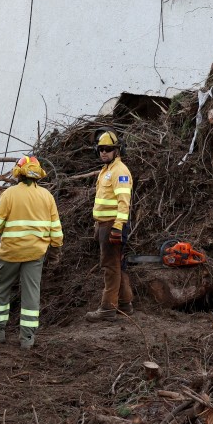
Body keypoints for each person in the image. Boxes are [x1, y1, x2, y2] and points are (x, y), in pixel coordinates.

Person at [0, 156, 62, 349]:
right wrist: (56, 250)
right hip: (35, 254)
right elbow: (56, 229)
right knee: (31, 293)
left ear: (18, 173)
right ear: (37, 175)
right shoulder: (47, 196)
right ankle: (27, 339)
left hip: (10, 252)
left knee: (0, 290)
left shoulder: (9, 194)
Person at [86, 130, 134, 321]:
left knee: (110, 267)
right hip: (104, 225)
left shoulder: (119, 171)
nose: (103, 152)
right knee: (117, 265)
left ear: (117, 150)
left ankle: (107, 308)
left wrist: (117, 226)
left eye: (108, 149)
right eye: (100, 149)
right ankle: (125, 304)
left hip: (112, 225)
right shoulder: (107, 171)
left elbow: (124, 202)